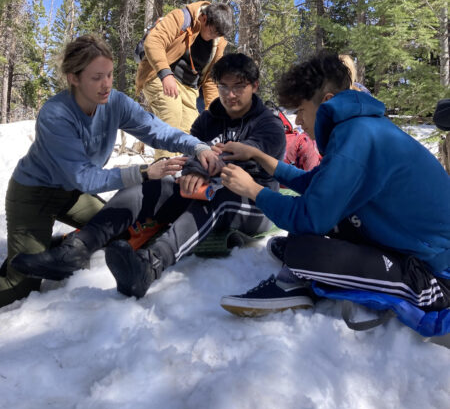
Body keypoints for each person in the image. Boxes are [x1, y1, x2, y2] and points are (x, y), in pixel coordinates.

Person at [13, 53, 286, 300]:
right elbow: (194, 155)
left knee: (219, 198)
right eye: (224, 87)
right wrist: (193, 170)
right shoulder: (207, 119)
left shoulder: (268, 124)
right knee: (151, 186)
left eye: (239, 86)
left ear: (255, 86)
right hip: (40, 188)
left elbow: (252, 155)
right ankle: (76, 249)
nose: (230, 94)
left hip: (253, 200)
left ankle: (150, 265)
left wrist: (206, 165)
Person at [217, 51, 450, 320]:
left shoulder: (357, 138)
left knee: (304, 251)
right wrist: (258, 156)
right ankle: (304, 267)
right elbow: (316, 186)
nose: (298, 122)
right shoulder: (358, 128)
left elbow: (310, 216)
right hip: (410, 241)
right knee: (309, 232)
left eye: (301, 111)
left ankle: (421, 287)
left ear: (327, 102)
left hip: (434, 268)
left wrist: (254, 190)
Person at [1, 34, 219, 308]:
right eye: (96, 78)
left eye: (109, 75)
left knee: (120, 232)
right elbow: (84, 177)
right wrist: (143, 172)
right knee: (19, 288)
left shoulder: (115, 103)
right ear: (74, 78)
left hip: (70, 194)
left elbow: (156, 130)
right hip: (32, 195)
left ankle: (55, 248)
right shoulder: (55, 114)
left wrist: (197, 147)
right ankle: (23, 256)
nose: (106, 85)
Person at [136, 1, 234, 159]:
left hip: (190, 87)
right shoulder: (181, 17)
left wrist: (211, 109)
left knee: (192, 133)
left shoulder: (218, 43)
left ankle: (180, 175)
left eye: (218, 34)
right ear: (203, 18)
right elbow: (153, 42)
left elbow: (211, 78)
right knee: (171, 116)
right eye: (212, 32)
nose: (214, 37)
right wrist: (165, 73)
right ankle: (163, 176)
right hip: (159, 75)